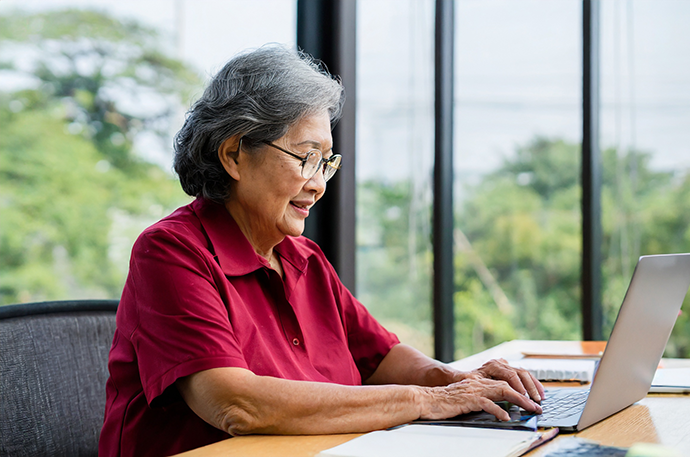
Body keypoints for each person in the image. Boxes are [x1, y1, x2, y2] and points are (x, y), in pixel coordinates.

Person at [98, 44, 544, 457]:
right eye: (305, 157)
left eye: (326, 162)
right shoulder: (171, 251)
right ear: (234, 155)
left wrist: (456, 380)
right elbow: (235, 404)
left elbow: (380, 358)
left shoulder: (302, 257)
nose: (318, 184)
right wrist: (426, 400)